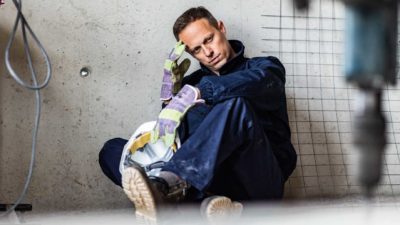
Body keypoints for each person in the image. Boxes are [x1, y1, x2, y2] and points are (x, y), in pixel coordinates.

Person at [99, 6, 297, 222]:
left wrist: (203, 90)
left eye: (209, 39)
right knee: (112, 149)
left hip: (258, 183)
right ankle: (204, 204)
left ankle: (170, 192)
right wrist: (170, 101)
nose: (208, 52)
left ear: (221, 28)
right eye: (196, 50)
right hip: (210, 181)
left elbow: (264, 82)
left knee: (236, 105)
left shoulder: (265, 67)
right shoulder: (189, 84)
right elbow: (174, 142)